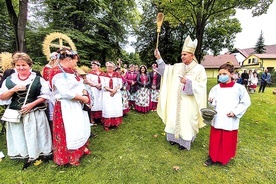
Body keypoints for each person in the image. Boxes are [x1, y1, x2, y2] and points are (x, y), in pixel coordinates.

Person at [154, 35, 207, 150]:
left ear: (192, 55)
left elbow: (202, 85)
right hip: (175, 100)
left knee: (185, 121)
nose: (182, 56)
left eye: (185, 54)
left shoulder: (199, 69)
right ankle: (173, 138)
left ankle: (184, 142)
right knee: (173, 119)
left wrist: (188, 83)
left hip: (189, 102)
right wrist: (159, 58)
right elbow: (165, 71)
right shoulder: (177, 66)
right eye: (182, 54)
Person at [0, 52, 52, 170]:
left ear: (29, 65)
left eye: (24, 65)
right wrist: (13, 89)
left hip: (34, 112)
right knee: (20, 135)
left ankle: (40, 154)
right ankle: (25, 154)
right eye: (18, 65)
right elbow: (2, 97)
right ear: (14, 66)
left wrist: (31, 105)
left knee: (36, 133)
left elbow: (46, 96)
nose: (21, 68)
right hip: (15, 113)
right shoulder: (9, 80)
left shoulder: (38, 79)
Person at [204, 61, 251, 166]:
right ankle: (212, 157)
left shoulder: (239, 88)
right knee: (215, 139)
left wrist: (235, 112)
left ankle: (224, 158)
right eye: (220, 74)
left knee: (227, 139)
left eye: (224, 74)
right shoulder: (216, 88)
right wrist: (211, 101)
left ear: (232, 74)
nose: (221, 76)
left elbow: (245, 102)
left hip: (230, 118)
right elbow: (212, 104)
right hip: (218, 117)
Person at [49, 48, 91, 166]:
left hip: (77, 103)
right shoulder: (57, 72)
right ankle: (70, 156)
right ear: (68, 59)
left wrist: (83, 93)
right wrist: (83, 98)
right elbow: (66, 93)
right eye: (75, 61)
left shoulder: (72, 71)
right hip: (66, 105)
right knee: (71, 130)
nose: (76, 64)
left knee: (80, 127)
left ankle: (80, 149)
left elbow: (81, 84)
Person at [101, 61, 123, 131]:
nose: (109, 68)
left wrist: (115, 90)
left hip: (116, 94)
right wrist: (111, 90)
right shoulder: (103, 75)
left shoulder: (117, 74)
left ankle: (115, 123)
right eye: (108, 66)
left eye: (111, 66)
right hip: (107, 94)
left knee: (115, 107)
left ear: (113, 67)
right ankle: (107, 124)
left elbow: (120, 84)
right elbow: (103, 85)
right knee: (108, 108)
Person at [41, 52, 58, 130]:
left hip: (57, 91)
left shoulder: (58, 67)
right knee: (52, 109)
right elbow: (47, 80)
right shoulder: (47, 68)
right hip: (50, 91)